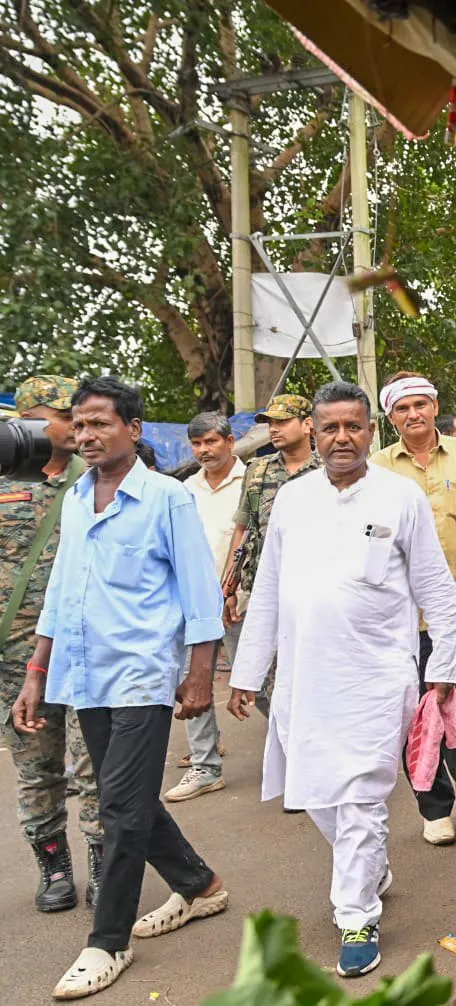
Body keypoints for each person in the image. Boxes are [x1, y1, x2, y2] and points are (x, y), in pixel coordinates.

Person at [227, 380, 456, 978]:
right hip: (304, 679)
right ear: (314, 431)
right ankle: (370, 866)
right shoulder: (293, 499)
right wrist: (247, 674)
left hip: (376, 679)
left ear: (370, 432)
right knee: (317, 794)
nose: (340, 438)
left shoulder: (399, 498)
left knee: (360, 797)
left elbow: (435, 586)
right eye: (329, 427)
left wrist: (441, 674)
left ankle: (356, 915)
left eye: (352, 426)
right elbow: (271, 591)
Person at [14, 376, 228, 1000]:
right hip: (85, 674)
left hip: (140, 675)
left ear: (132, 430)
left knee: (120, 809)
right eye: (79, 425)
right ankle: (200, 886)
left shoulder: (168, 499)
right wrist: (36, 673)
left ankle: (109, 941)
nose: (86, 435)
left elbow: (200, 594)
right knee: (121, 795)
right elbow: (60, 594)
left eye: (100, 423)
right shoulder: (76, 500)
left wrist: (199, 673)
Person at [374, 371, 456, 849]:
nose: (413, 414)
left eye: (420, 404)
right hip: (405, 618)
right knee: (416, 716)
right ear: (390, 417)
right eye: (402, 408)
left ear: (435, 407)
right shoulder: (376, 467)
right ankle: (434, 807)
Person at [1, 376, 102, 914]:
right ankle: (54, 869)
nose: (75, 427)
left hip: (89, 655)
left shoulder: (104, 478)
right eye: (65, 416)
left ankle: (106, 870)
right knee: (38, 772)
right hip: (17, 662)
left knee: (97, 772)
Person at [222, 395, 320, 718]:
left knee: (311, 678)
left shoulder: (326, 470)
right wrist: (229, 588)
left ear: (308, 425)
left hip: (316, 594)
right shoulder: (258, 470)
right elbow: (243, 529)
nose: (273, 430)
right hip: (268, 592)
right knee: (262, 683)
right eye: (270, 424)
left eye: (282, 422)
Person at [165, 413, 246, 803]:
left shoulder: (252, 483)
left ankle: (297, 753)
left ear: (230, 442)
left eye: (211, 442)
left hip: (239, 603)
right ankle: (205, 766)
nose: (204, 451)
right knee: (192, 682)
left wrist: (237, 590)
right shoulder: (183, 490)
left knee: (261, 683)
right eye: (197, 444)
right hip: (193, 608)